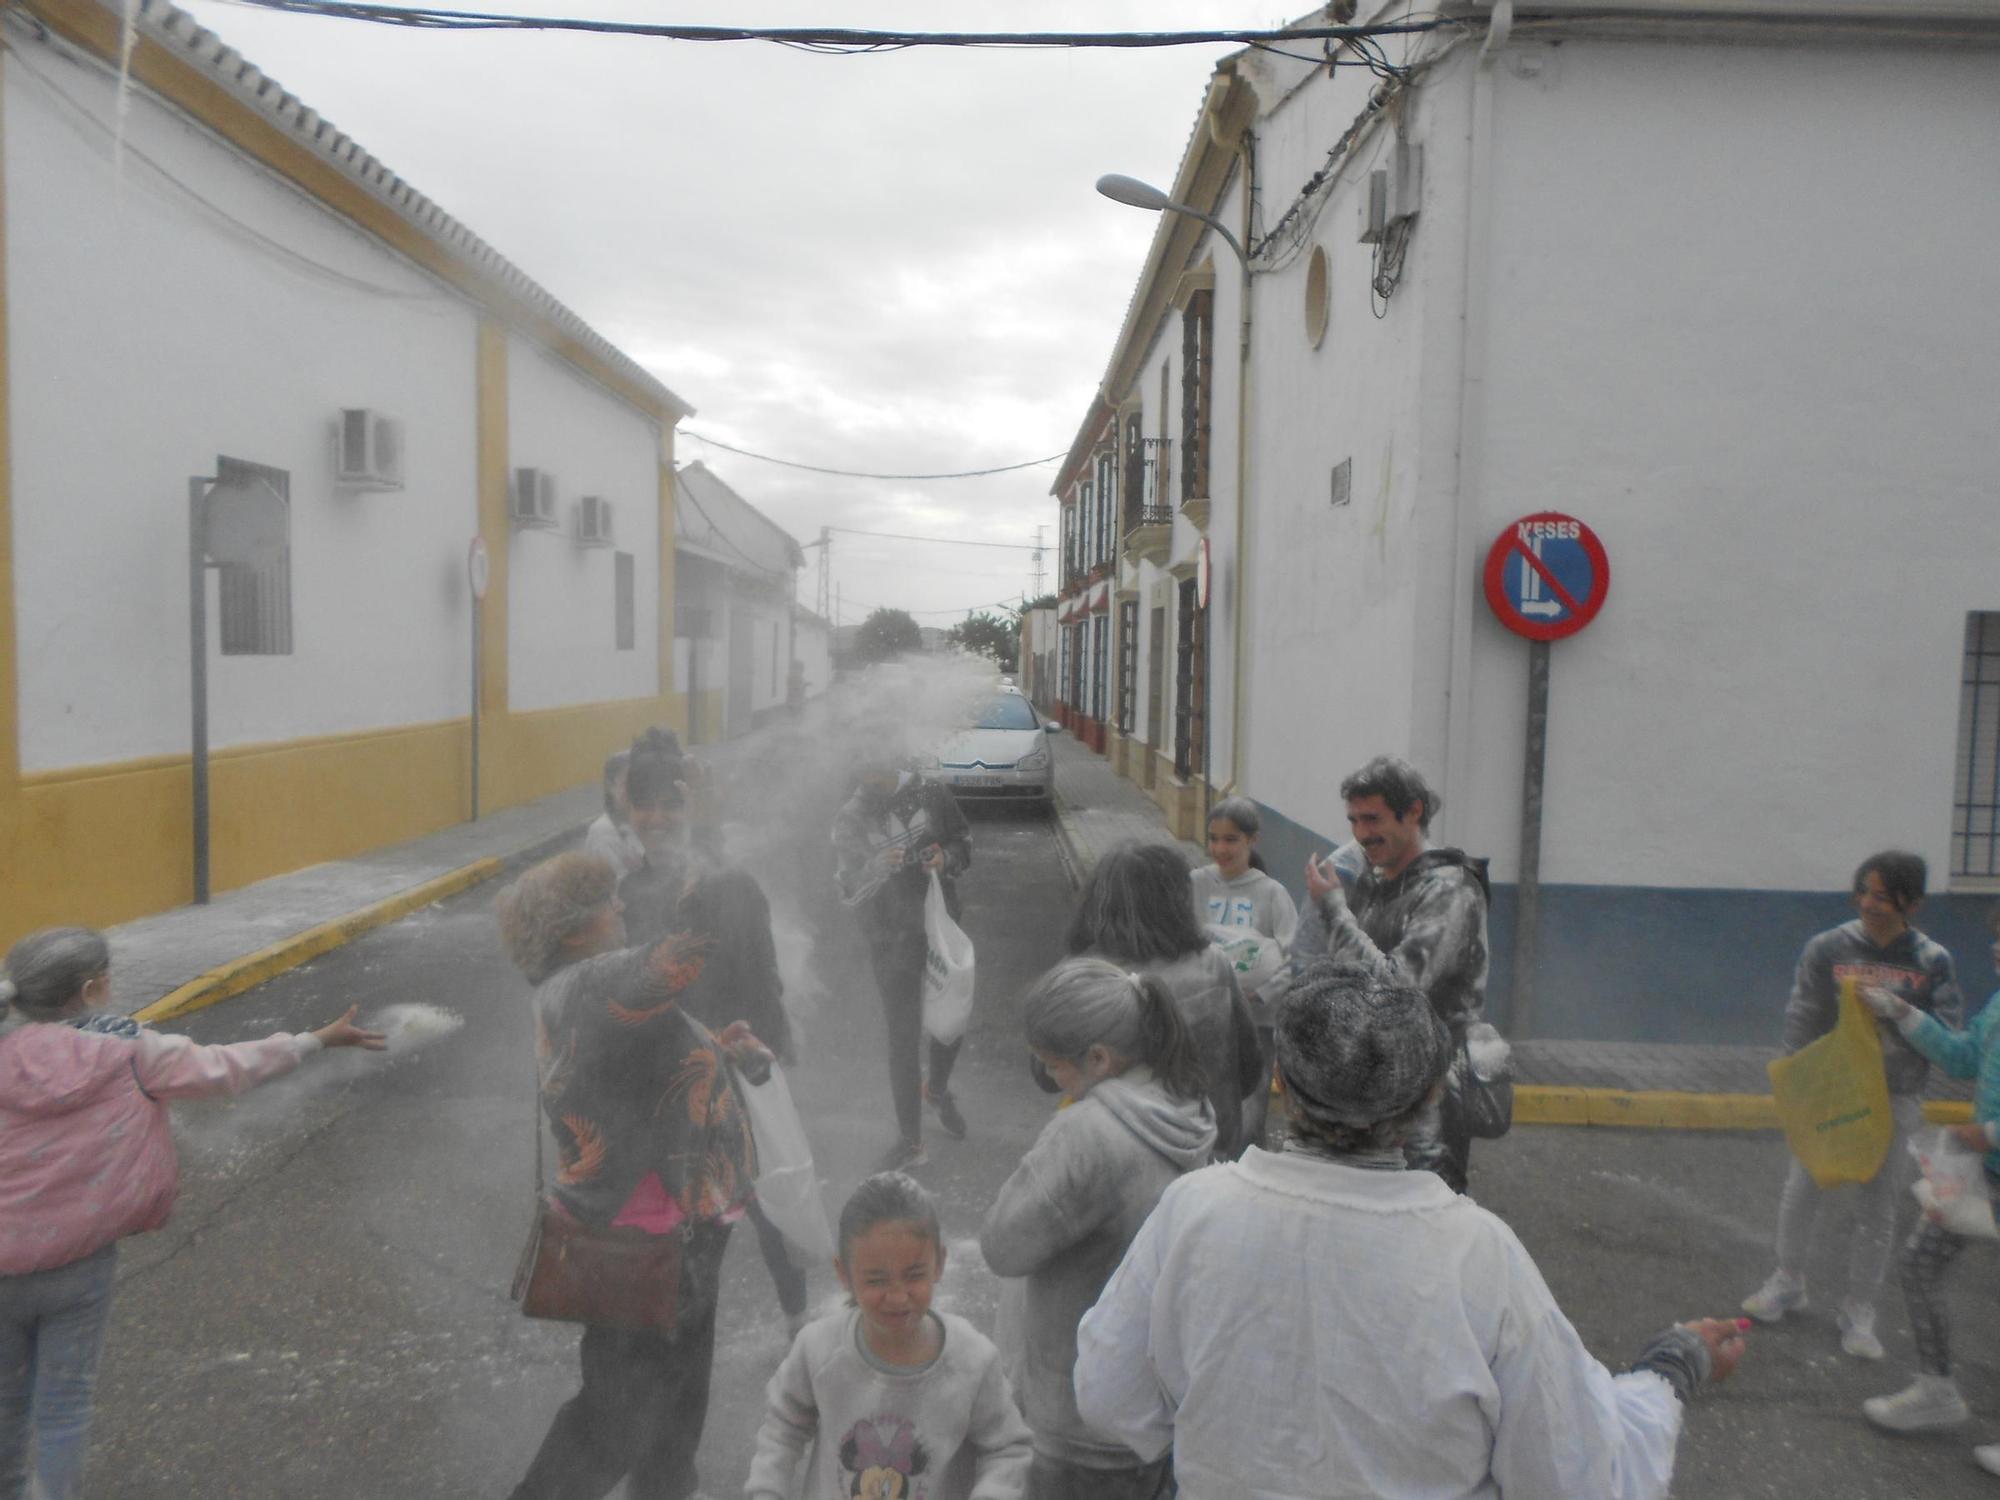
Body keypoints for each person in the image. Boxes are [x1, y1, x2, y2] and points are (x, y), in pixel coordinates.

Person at [1073, 961, 1746, 1500]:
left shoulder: (1195, 1210)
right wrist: (1669, 1367)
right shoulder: (1478, 1255)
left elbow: (1111, 1398)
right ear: (1429, 1098)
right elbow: (1578, 1473)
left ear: (1280, 1080)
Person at [0, 926, 385, 1500]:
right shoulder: (133, 1052)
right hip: (80, 1265)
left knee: (5, 1400)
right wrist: (315, 1040)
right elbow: (228, 1067)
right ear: (94, 988)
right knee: (64, 1402)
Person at [497, 851, 773, 1500]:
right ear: (570, 931)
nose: (620, 906)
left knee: (678, 1393)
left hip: (682, 1225)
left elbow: (644, 1065)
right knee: (615, 1414)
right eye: (606, 902)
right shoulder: (589, 983)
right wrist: (705, 892)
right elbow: (677, 959)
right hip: (645, 1235)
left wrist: (716, 1049)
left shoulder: (589, 991)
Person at [979, 959, 1215, 1500]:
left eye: (1053, 1066)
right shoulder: (1183, 1108)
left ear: (1099, 1058)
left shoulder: (1089, 1135)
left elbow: (1002, 1245)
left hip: (1075, 1423)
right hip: (1149, 1414)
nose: (1050, 1081)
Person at [617, 746, 810, 1333]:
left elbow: (762, 972)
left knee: (766, 1196)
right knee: (679, 1203)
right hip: (662, 1072)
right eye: (644, 806)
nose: (657, 819)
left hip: (732, 1059)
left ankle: (797, 1316)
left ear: (690, 809)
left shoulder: (731, 884)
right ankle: (676, 1322)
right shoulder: (627, 891)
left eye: (670, 805)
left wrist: (764, 1053)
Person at [1741, 851, 1962, 1360]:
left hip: (1894, 1098)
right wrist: (1791, 1082)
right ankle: (1788, 1279)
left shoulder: (1933, 962)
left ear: (1914, 902)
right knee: (1802, 1188)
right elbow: (1801, 1018)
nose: (1869, 903)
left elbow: (1950, 1039)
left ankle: (1859, 1309)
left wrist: (1900, 1012)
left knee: (1878, 1206)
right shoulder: (1829, 947)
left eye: (1883, 896)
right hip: (1832, 1097)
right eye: (1863, 891)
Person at [745, 1172, 1032, 1500]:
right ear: (844, 1274)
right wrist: (767, 1490)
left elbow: (1008, 1448)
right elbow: (782, 1429)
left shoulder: (973, 1361)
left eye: (913, 1275)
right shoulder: (817, 1350)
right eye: (876, 1280)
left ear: (939, 1263)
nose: (897, 1296)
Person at [1295, 754, 1489, 1190]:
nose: (1362, 834)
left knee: (1422, 1223)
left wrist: (1333, 911)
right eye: (1354, 821)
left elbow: (1394, 988)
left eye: (1373, 819)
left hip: (1429, 1105)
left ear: (1414, 812)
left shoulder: (1450, 891)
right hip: (1375, 1091)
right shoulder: (1380, 881)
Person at [1858, 905, 2000, 1471]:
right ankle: (1936, 1391)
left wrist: (1987, 1131)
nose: (1997, 950)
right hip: (1980, 1171)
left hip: (1982, 1152)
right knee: (1918, 1265)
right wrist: (1901, 1013)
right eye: (1997, 938)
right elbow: (1964, 1058)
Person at [1065, 841, 1262, 1158]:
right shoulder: (1212, 962)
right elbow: (1249, 1067)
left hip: (1118, 1161)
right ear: (1178, 901)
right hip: (1211, 1152)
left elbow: (1046, 1071)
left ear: (1096, 901)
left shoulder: (1081, 976)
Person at [833, 760, 974, 1170]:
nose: (866, 778)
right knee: (903, 1036)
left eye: (874, 768)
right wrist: (874, 869)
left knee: (952, 1023)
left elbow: (965, 842)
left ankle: (938, 1089)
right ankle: (910, 1140)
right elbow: (847, 890)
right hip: (889, 940)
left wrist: (944, 858)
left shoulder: (931, 794)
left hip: (941, 932)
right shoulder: (852, 814)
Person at [1190, 798, 1298, 1152]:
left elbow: (1293, 957)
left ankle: (1247, 1173)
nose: (1220, 849)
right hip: (1204, 1022)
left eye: (1231, 839)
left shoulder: (1271, 894)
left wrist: (1262, 993)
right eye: (1214, 838)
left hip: (1256, 1025)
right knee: (1201, 1113)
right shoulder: (1195, 885)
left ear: (1252, 840)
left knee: (1249, 1116)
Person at [581, 748, 646, 880]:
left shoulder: (640, 822)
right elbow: (616, 890)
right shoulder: (603, 833)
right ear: (610, 786)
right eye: (628, 784)